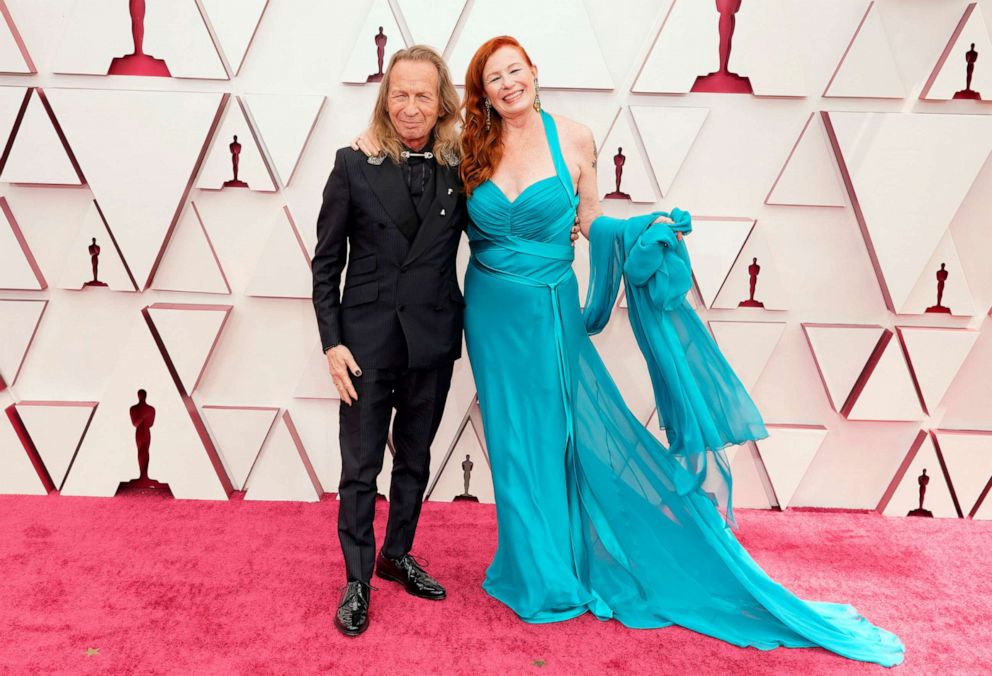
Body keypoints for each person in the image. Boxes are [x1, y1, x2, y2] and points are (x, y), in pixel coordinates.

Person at [311, 45, 466, 637]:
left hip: (432, 337)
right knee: (360, 466)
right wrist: (332, 343)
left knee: (417, 459)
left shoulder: (459, 169)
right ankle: (356, 579)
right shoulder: (353, 163)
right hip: (366, 343)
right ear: (385, 98)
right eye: (399, 93)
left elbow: (509, 213)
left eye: (422, 94)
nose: (410, 106)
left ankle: (396, 554)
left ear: (440, 101)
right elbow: (326, 263)